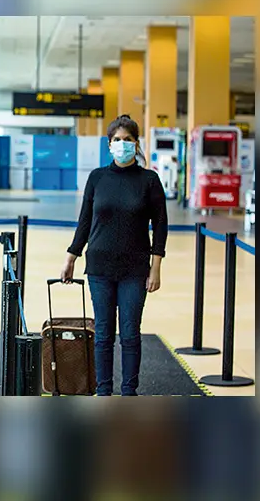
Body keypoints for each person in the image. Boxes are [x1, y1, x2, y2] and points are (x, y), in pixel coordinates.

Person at [60, 115, 168, 395]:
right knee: (103, 335)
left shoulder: (149, 180)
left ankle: (129, 392)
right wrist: (71, 257)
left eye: (127, 139)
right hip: (99, 268)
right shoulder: (97, 178)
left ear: (136, 143)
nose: (122, 144)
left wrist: (155, 267)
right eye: (117, 140)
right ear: (109, 145)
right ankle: (104, 391)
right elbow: (85, 221)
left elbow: (160, 225)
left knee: (130, 334)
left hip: (135, 269)